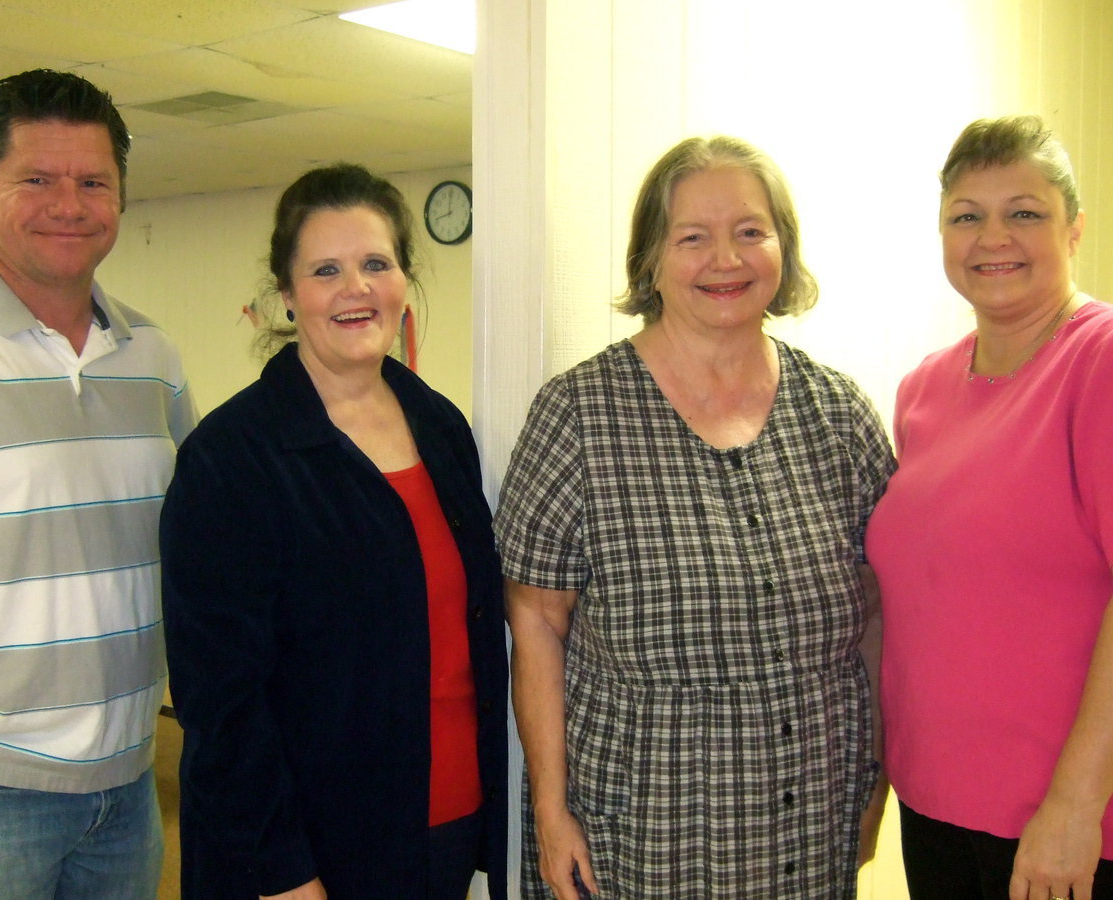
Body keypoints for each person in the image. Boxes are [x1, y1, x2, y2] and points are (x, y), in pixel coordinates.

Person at [496, 135, 895, 899]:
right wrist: (550, 810)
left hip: (812, 826)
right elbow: (537, 623)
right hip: (642, 835)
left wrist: (877, 774)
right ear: (650, 259)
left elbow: (878, 610)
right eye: (692, 237)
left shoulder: (837, 415)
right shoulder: (579, 415)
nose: (727, 259)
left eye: (751, 231)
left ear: (784, 248)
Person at [159, 163, 508, 900]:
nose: (356, 289)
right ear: (287, 295)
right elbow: (223, 702)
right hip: (305, 853)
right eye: (326, 270)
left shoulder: (441, 428)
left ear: (405, 279)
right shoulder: (231, 460)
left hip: (441, 828)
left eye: (375, 263)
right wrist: (284, 872)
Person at [0, 69, 196, 898]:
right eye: (36, 180)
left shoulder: (154, 358)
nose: (68, 204)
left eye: (93, 181)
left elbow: (193, 547)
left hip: (128, 783)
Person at [866, 115, 1113, 900]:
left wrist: (1078, 807)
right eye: (966, 215)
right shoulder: (923, 389)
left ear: (1074, 230)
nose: (992, 236)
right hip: (936, 804)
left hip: (1066, 823)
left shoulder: (1099, 360)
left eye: (1025, 212)